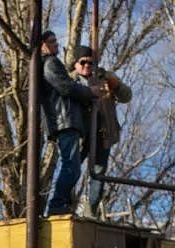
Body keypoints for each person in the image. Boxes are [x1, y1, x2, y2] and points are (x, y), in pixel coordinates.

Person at [40, 30, 105, 216]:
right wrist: (90, 92)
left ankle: (62, 204)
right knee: (72, 166)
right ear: (42, 45)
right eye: (52, 42)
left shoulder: (48, 63)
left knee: (72, 166)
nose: (56, 45)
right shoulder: (50, 63)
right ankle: (57, 205)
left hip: (66, 120)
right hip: (65, 120)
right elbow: (65, 87)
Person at [70, 45, 133, 218]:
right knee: (72, 170)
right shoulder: (69, 81)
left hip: (103, 132)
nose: (87, 66)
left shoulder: (105, 77)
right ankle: (67, 207)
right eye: (83, 62)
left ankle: (91, 211)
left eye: (91, 62)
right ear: (76, 64)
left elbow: (126, 97)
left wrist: (117, 86)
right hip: (80, 133)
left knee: (98, 174)